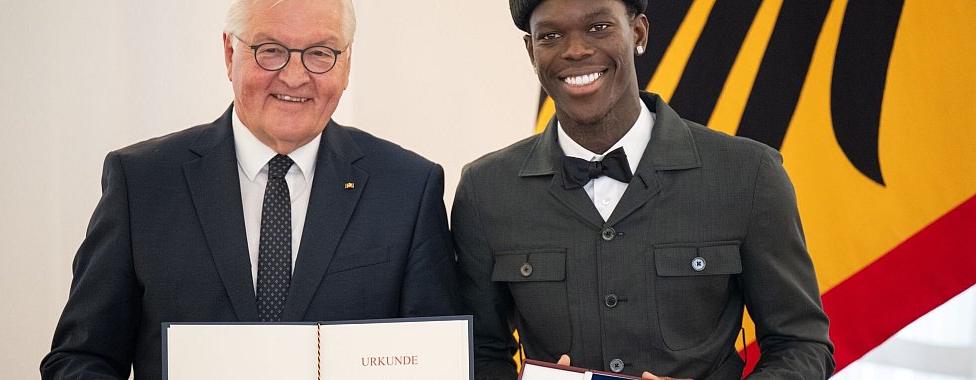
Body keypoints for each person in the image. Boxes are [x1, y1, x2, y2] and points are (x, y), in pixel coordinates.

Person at [40, 0, 458, 378]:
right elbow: (79, 359)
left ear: (346, 64)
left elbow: (441, 363)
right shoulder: (142, 183)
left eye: (320, 53)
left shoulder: (408, 188)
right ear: (229, 53)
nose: (295, 77)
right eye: (271, 50)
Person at [453, 0, 835, 378]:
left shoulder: (749, 174)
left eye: (599, 27)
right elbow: (480, 351)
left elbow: (801, 344)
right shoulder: (485, 191)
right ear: (531, 52)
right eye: (550, 35)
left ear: (638, 32)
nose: (576, 50)